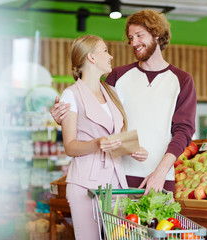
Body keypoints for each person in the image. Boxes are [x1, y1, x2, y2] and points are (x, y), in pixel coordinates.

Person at [50, 9, 196, 195]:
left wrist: (160, 172)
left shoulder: (181, 80)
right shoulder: (117, 76)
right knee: (117, 225)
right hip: (116, 176)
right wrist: (65, 116)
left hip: (160, 179)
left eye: (139, 35)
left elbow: (183, 131)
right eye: (130, 37)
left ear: (157, 34)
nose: (133, 43)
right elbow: (93, 114)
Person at [60, 35, 147, 239]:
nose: (111, 55)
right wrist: (97, 143)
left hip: (116, 183)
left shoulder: (114, 93)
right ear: (91, 57)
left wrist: (132, 149)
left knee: (121, 237)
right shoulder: (70, 95)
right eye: (105, 50)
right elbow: (70, 147)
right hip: (84, 185)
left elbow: (115, 138)